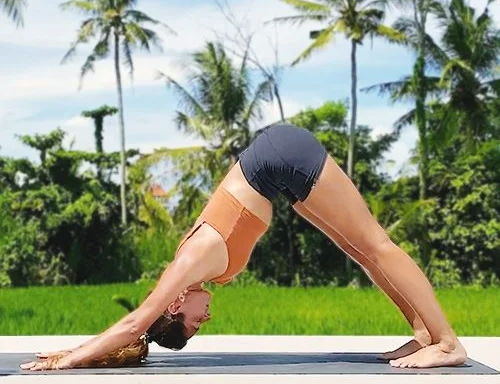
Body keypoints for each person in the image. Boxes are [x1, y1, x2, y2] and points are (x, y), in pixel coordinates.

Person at [21, 124, 467, 371]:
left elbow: (136, 322)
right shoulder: (198, 274)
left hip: (281, 157)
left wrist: (69, 358)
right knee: (360, 250)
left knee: (376, 244)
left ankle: (447, 342)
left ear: (175, 306)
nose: (205, 320)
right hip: (277, 171)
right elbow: (140, 333)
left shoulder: (188, 264)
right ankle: (424, 334)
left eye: (194, 324)